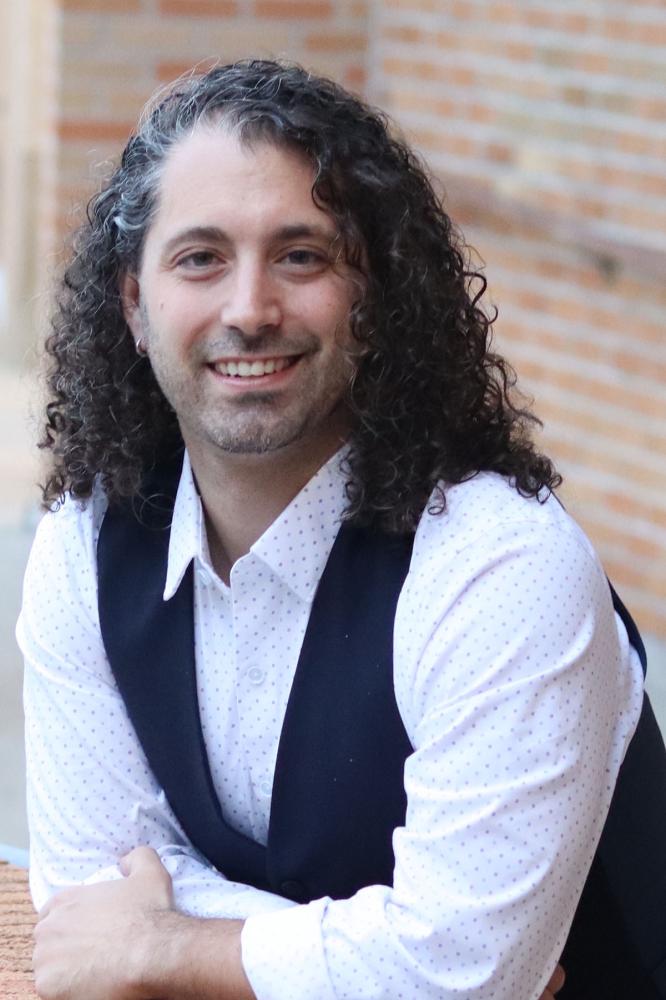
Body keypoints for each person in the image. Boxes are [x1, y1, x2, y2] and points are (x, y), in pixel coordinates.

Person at [17, 60, 651, 1000]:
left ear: (373, 297)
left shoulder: (500, 562)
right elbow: (89, 892)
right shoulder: (86, 541)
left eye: (301, 256)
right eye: (200, 258)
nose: (249, 309)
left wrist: (162, 948)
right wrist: (386, 952)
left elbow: (459, 975)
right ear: (135, 306)